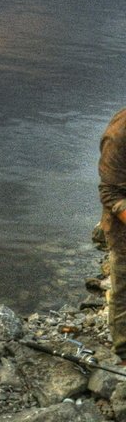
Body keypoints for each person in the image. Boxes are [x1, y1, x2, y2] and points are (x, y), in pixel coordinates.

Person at [99, 107, 126, 362]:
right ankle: (124, 352)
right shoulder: (119, 135)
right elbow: (109, 192)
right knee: (124, 289)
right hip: (123, 226)